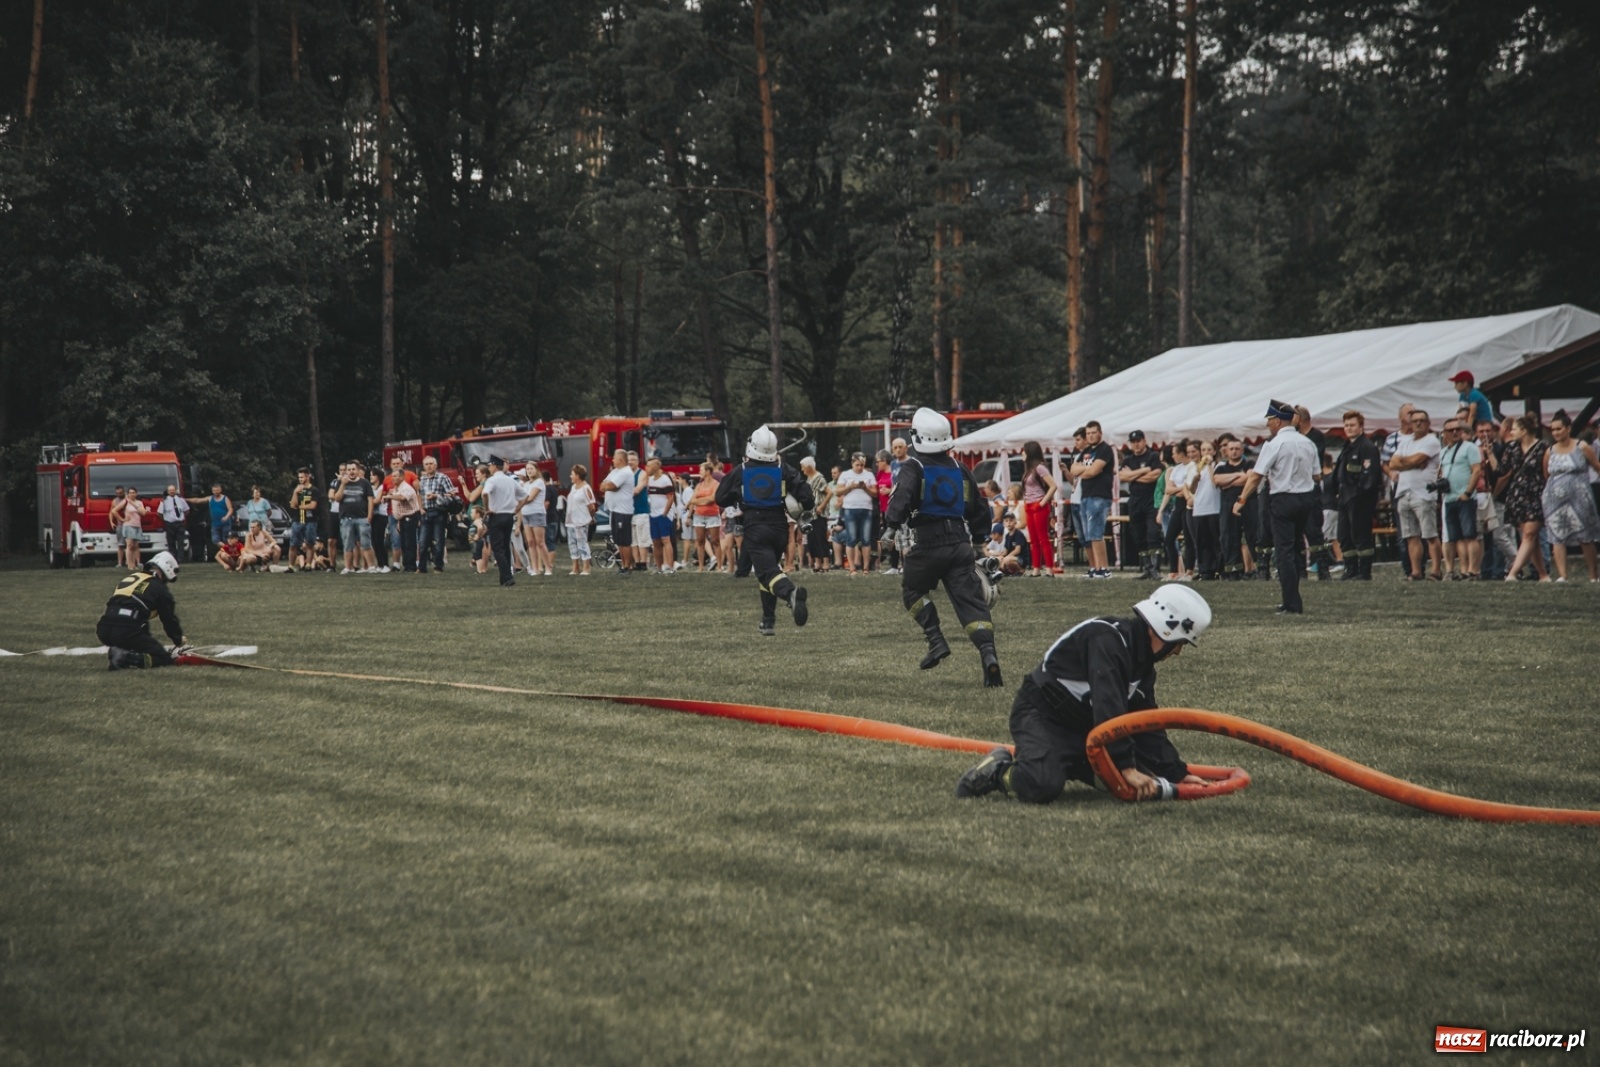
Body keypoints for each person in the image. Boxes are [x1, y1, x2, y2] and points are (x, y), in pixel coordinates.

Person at [954, 584, 1212, 803]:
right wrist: (1125, 765)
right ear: (1164, 628)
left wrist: (1176, 773)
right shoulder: (1106, 639)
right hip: (1043, 716)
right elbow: (1108, 704)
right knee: (1041, 784)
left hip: (1088, 730)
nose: (1177, 652)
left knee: (1139, 784)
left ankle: (1064, 763)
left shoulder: (1142, 666)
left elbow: (1146, 724)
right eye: (1179, 643)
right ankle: (999, 770)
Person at [883, 408, 1002, 686]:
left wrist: (890, 526)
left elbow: (901, 498)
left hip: (927, 543)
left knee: (913, 591)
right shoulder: (960, 469)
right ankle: (988, 654)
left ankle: (936, 640)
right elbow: (978, 506)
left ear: (917, 437)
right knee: (971, 603)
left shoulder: (914, 467)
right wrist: (979, 541)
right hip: (959, 544)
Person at [714, 425, 814, 636]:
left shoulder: (741, 470)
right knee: (769, 571)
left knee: (767, 573)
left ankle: (790, 593)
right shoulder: (783, 469)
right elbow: (807, 497)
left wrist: (738, 496)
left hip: (755, 526)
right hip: (779, 527)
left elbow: (720, 497)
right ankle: (768, 621)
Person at [1233, 399, 1320, 614]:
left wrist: (1242, 499)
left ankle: (1291, 602)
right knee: (1296, 547)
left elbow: (1256, 476)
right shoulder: (1308, 443)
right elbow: (1317, 475)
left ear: (1279, 422)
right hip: (1306, 498)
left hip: (1283, 499)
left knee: (1284, 551)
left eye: (1270, 420)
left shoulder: (1274, 444)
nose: (1267, 424)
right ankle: (1294, 597)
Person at [98, 551, 192, 670]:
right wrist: (177, 639)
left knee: (140, 630)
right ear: (167, 570)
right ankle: (126, 658)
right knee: (164, 658)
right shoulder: (160, 588)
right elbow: (169, 620)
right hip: (125, 628)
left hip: (104, 628)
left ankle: (120, 654)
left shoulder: (134, 578)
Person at [1541, 410, 1600, 582]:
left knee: (1585, 536)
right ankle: (1562, 575)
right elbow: (1546, 474)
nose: (1556, 433)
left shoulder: (1582, 447)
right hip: (1554, 500)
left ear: (1568, 428)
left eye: (1559, 429)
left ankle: (1593, 575)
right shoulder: (1550, 451)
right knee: (1557, 536)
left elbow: (1596, 466)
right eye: (1553, 429)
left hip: (1580, 497)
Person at [1387, 408, 1444, 581]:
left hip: (1423, 493)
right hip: (1403, 492)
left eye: (1422, 420)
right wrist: (1411, 463)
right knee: (1411, 536)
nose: (1418, 423)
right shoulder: (1405, 441)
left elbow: (1417, 459)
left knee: (1430, 534)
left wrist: (1408, 462)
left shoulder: (1432, 440)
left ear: (1428, 423)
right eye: (1415, 421)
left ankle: (1436, 571)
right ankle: (1416, 571)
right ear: (1410, 424)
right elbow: (1392, 463)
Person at [1329, 411, 1382, 580]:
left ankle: (1364, 571)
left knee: (1360, 534)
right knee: (1344, 535)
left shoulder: (1367, 447)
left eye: (1352, 425)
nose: (1349, 428)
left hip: (1360, 499)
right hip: (1344, 497)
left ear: (1361, 427)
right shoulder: (1347, 446)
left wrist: (1359, 494)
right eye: (1346, 425)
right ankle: (1350, 569)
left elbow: (1370, 476)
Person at [1438, 416, 1483, 579]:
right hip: (1449, 498)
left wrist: (1468, 492)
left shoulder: (1469, 447)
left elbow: (1476, 470)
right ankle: (1464, 570)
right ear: (1444, 433)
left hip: (1465, 497)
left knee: (1470, 535)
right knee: (1456, 537)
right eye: (1451, 430)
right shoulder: (1444, 452)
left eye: (1458, 429)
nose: (1455, 432)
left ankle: (1473, 570)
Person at [1070, 421, 1116, 578]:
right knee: (1088, 534)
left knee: (1096, 532)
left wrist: (1085, 470)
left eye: (1093, 433)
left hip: (1099, 495)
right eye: (1088, 433)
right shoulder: (1087, 451)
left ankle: (1104, 568)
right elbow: (1073, 470)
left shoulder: (1105, 449)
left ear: (1100, 433)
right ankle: (1095, 568)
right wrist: (1087, 469)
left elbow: (1094, 471)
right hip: (1085, 495)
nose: (1090, 436)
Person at [1120, 430, 1163, 579]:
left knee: (1153, 534)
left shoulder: (1153, 456)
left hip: (1151, 500)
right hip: (1135, 500)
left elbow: (1154, 476)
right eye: (1133, 442)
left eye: (1138, 441)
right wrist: (1144, 470)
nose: (1136, 444)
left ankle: (1156, 568)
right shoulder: (1127, 459)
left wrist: (1132, 475)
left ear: (1144, 441)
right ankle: (1147, 568)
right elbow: (1122, 477)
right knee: (1139, 535)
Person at [1020, 441, 1059, 576]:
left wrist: (1042, 503)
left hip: (1038, 505)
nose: (1022, 453)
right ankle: (1036, 568)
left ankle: (1049, 568)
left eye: (1024, 450)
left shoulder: (1039, 468)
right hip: (1029, 506)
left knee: (1043, 538)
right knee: (1034, 540)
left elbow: (1053, 485)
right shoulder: (1028, 469)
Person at [835, 452, 877, 576]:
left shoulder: (869, 475)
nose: (859, 467)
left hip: (866, 508)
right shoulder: (845, 474)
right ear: (852, 463)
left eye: (862, 465)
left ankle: (866, 568)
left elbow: (875, 493)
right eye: (857, 465)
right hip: (850, 508)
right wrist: (850, 487)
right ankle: (852, 568)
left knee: (866, 539)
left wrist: (865, 488)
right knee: (851, 538)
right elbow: (838, 492)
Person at [481, 455, 520, 587]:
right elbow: (524, 496)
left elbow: (484, 493)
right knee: (506, 546)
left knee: (498, 548)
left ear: (493, 466)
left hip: (496, 515)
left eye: (489, 465)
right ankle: (504, 578)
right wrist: (517, 508)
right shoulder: (510, 480)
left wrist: (486, 509)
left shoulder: (492, 480)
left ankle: (507, 577)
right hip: (509, 515)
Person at [416, 456, 458, 573]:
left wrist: (436, 496)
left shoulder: (443, 478)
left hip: (439, 511)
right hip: (426, 512)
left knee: (439, 540)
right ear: (423, 466)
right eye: (426, 464)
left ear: (435, 465)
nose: (429, 466)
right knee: (423, 541)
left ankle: (438, 566)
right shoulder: (422, 479)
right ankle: (422, 567)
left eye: (431, 464)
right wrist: (420, 508)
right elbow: (419, 494)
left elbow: (452, 494)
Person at [599, 449, 637, 576]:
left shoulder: (625, 472)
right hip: (614, 510)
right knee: (618, 540)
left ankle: (628, 567)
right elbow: (602, 486)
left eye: (614, 458)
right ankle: (623, 565)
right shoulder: (615, 472)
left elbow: (612, 486)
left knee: (625, 541)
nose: (612, 460)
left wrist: (609, 486)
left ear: (620, 459)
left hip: (623, 511)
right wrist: (608, 486)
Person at [333, 462, 376, 574]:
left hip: (362, 517)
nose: (351, 472)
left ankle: (371, 567)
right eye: (349, 470)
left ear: (357, 470)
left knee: (366, 543)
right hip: (346, 518)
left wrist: (369, 515)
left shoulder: (365, 483)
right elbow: (337, 498)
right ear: (346, 471)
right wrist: (343, 484)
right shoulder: (341, 482)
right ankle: (348, 567)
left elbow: (370, 500)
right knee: (347, 544)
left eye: (353, 469)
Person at [386, 464, 424, 573]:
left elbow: (403, 498)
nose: (392, 478)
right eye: (392, 476)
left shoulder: (406, 488)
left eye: (395, 476)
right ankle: (406, 565)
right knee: (403, 542)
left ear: (402, 477)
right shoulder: (396, 489)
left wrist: (389, 496)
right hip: (402, 518)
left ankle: (411, 566)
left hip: (410, 517)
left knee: (409, 542)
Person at [516, 467, 553, 577]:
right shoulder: (526, 484)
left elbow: (530, 498)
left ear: (537, 470)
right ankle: (535, 568)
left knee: (540, 542)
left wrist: (520, 503)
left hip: (536, 513)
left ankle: (548, 568)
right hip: (526, 513)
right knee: (530, 542)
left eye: (531, 469)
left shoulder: (539, 482)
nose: (529, 471)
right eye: (527, 469)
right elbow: (520, 497)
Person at [565, 465, 596, 575]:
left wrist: (591, 518)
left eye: (572, 474)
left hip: (581, 520)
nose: (570, 476)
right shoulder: (573, 487)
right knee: (572, 543)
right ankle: (575, 567)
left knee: (582, 542)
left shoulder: (586, 488)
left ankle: (586, 567)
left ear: (578, 476)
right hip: (571, 521)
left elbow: (591, 506)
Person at [287, 468, 319, 570]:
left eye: (302, 477)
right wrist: (295, 493)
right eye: (299, 477)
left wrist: (299, 507)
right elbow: (293, 505)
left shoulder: (314, 490)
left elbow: (313, 505)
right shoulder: (296, 489)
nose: (300, 479)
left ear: (308, 477)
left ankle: (308, 565)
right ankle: (291, 566)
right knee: (293, 544)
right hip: (297, 520)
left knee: (310, 543)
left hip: (310, 520)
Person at [156, 485, 190, 563]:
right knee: (171, 542)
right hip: (169, 524)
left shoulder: (181, 500)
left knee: (180, 541)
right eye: (170, 490)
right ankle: (173, 558)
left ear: (175, 490)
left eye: (173, 490)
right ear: (168, 492)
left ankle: (180, 559)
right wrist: (166, 520)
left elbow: (187, 510)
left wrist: (182, 518)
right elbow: (159, 513)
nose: (172, 491)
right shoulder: (164, 501)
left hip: (180, 523)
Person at [119, 487, 147, 570]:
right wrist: (122, 519)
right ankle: (129, 564)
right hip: (128, 525)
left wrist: (133, 503)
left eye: (133, 492)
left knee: (135, 546)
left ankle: (134, 564)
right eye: (130, 493)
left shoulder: (139, 503)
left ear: (136, 494)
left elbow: (143, 513)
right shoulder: (125, 502)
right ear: (128, 494)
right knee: (130, 545)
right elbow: (114, 511)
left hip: (137, 525)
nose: (132, 494)